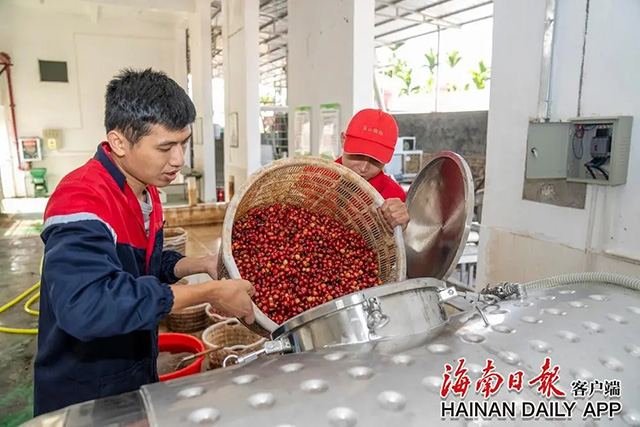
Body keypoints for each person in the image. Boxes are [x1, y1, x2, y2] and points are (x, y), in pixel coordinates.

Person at [34, 68, 255, 416]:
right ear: (119, 142)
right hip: (84, 396)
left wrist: (199, 265)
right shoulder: (81, 201)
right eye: (165, 147)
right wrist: (209, 293)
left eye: (183, 143)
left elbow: (138, 267)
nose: (179, 159)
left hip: (133, 373)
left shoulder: (144, 190)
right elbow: (86, 306)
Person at [337, 108, 410, 229]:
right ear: (343, 140)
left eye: (375, 160)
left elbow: (402, 239)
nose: (363, 168)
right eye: (358, 155)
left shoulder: (393, 195)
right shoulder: (316, 177)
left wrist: (402, 227)